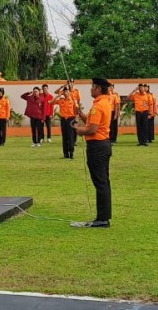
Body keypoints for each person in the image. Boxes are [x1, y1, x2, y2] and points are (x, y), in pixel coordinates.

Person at [70, 77, 113, 228]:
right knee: (104, 182)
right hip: (104, 145)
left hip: (97, 147)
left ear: (99, 89)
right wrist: (81, 114)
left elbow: (92, 129)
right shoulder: (105, 102)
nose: (91, 89)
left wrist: (78, 130)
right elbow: (92, 121)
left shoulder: (98, 106)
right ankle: (104, 217)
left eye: (93, 87)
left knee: (100, 182)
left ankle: (102, 219)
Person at [53, 87, 78, 159]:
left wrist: (76, 119)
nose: (66, 93)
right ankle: (65, 154)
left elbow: (76, 110)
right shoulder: (61, 100)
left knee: (70, 136)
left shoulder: (73, 100)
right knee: (64, 137)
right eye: (64, 92)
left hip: (71, 119)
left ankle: (71, 153)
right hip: (63, 119)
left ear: (69, 92)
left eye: (67, 91)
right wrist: (58, 95)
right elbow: (51, 102)